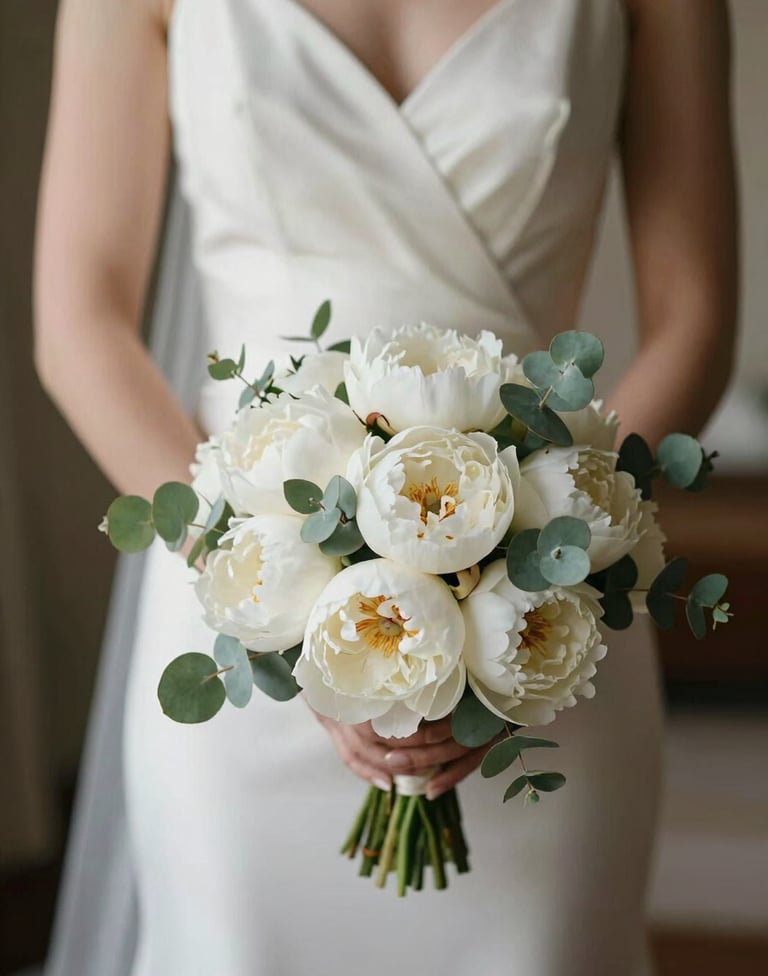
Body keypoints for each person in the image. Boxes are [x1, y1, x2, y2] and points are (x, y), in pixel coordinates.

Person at [35, 1, 738, 974]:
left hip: (540, 632)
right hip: (241, 616)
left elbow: (694, 318)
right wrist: (276, 601)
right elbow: (79, 321)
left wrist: (541, 570)